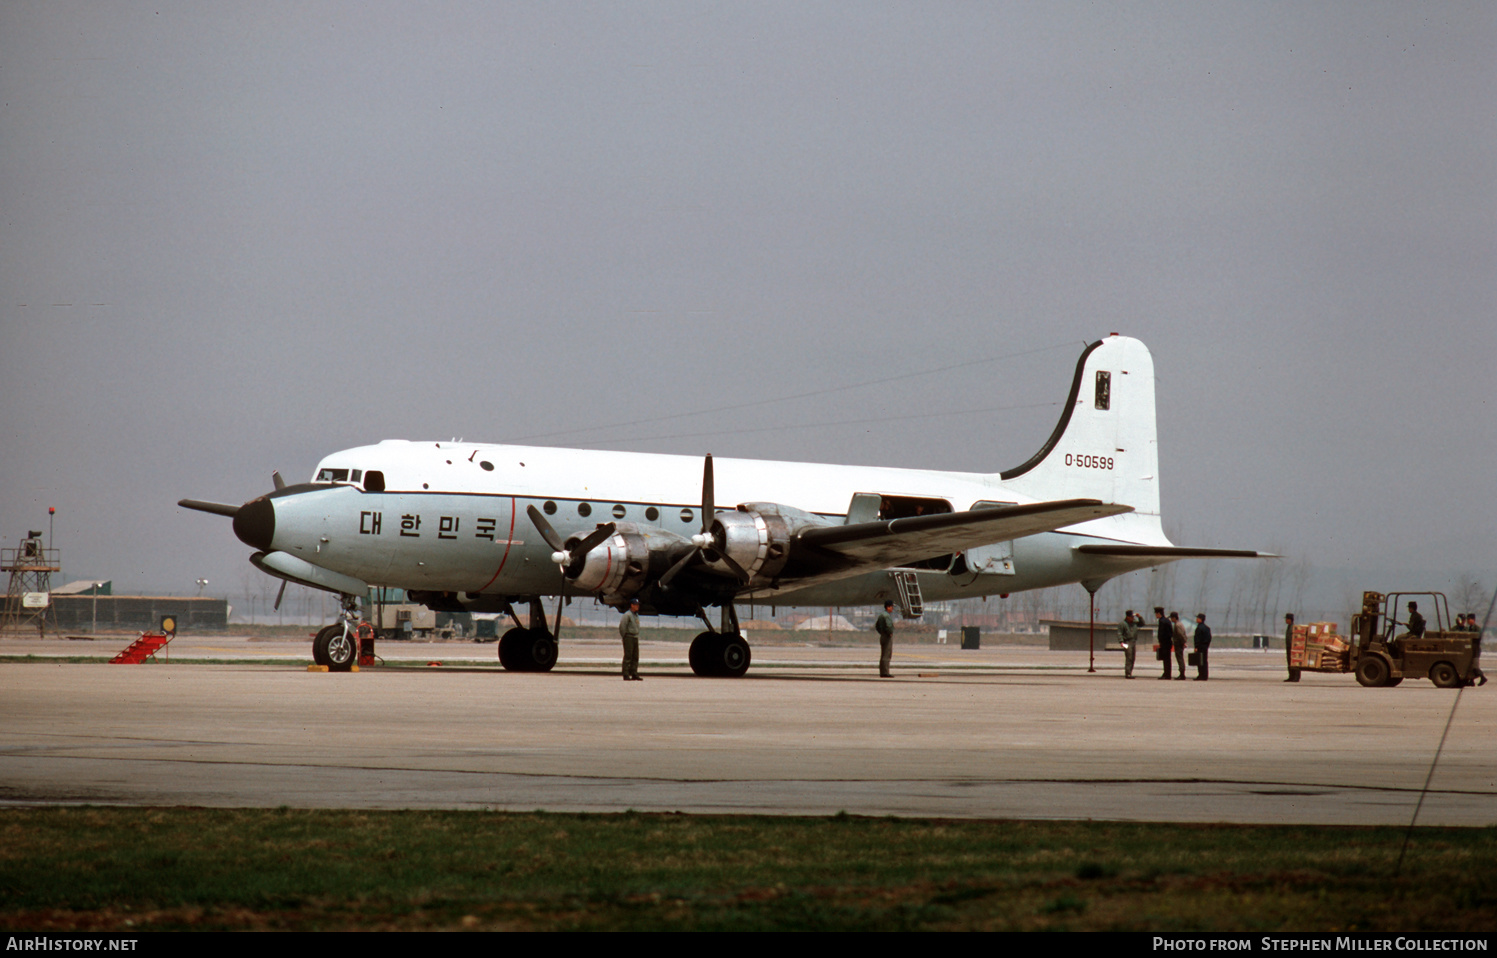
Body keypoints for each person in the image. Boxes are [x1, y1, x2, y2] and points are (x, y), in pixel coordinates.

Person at [619, 597, 642, 681]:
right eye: (636, 605)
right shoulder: (627, 615)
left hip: (635, 637)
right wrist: (624, 637)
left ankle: (634, 673)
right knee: (628, 656)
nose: (637, 606)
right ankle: (626, 674)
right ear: (632, 605)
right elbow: (622, 627)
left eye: (638, 605)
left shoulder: (636, 615)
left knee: (635, 657)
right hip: (629, 637)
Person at [875, 600, 896, 677]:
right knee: (887, 655)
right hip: (887, 637)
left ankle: (882, 671)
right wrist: (890, 633)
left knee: (883, 654)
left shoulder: (881, 615)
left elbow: (877, 626)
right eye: (891, 607)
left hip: (882, 636)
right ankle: (885, 672)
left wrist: (881, 633)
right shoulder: (886, 616)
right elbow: (888, 626)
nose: (892, 608)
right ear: (888, 607)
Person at [1117, 609, 1138, 679]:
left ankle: (1130, 672)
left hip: (1133, 641)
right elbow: (1119, 633)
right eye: (1131, 617)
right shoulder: (1122, 624)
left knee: (1133, 658)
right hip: (1126, 642)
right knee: (1129, 657)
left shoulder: (1134, 623)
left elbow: (1142, 623)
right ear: (1127, 617)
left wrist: (1140, 617)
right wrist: (1121, 642)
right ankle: (1128, 673)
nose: (1133, 618)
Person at [1193, 613, 1212, 681]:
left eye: (1198, 618)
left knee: (1200, 661)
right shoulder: (1207, 628)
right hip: (1205, 647)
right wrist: (1206, 645)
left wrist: (1196, 647)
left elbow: (1197, 638)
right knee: (1205, 661)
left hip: (1200, 647)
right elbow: (1209, 638)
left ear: (1200, 619)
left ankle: (1201, 675)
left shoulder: (1199, 628)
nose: (1196, 619)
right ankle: (1205, 675)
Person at [1169, 612, 1188, 680]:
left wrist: (1183, 642)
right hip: (1180, 644)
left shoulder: (1177, 625)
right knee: (1180, 658)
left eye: (1171, 618)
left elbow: (1180, 635)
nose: (1171, 620)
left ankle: (1182, 674)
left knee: (1180, 659)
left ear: (1174, 618)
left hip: (1179, 644)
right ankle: (1182, 673)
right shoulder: (1180, 624)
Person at [1156, 607, 1173, 680]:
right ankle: (1167, 673)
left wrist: (1161, 642)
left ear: (1159, 614)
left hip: (1165, 643)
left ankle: (1166, 674)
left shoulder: (1162, 621)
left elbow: (1162, 633)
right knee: (1167, 659)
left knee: (1166, 660)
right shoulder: (1167, 620)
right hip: (1168, 642)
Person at [1283, 613, 1300, 682]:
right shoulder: (1289, 627)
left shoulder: (1294, 627)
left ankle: (1296, 677)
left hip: (1293, 647)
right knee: (1289, 662)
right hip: (1289, 647)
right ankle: (1291, 676)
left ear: (1290, 620)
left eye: (1286, 619)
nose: (1286, 621)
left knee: (1295, 662)